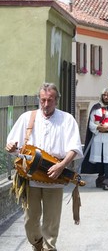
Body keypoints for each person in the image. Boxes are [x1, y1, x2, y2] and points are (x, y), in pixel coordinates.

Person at [5, 82, 83, 251]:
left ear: (57, 100)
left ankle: (49, 248)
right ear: (39, 99)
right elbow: (13, 145)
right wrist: (11, 147)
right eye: (43, 100)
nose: (46, 104)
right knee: (30, 220)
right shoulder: (28, 117)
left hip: (55, 175)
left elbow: (75, 147)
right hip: (30, 176)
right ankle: (37, 244)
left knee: (51, 220)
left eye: (50, 100)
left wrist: (61, 166)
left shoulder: (67, 119)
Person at [81, 87, 108, 190]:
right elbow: (91, 123)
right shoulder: (95, 108)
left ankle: (107, 180)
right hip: (97, 138)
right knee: (99, 158)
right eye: (104, 95)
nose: (106, 97)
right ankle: (100, 178)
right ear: (102, 96)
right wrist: (98, 127)